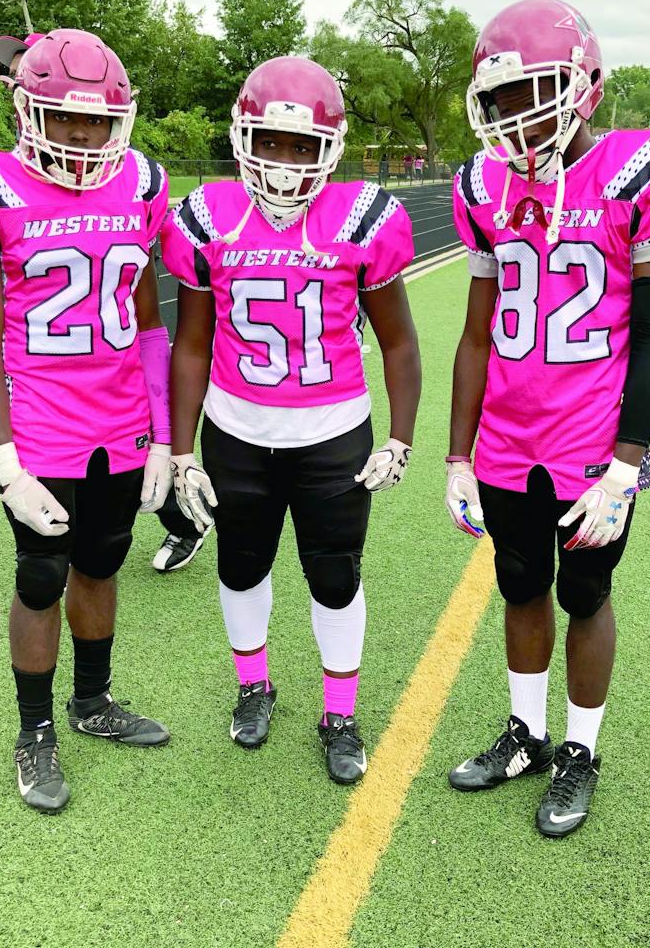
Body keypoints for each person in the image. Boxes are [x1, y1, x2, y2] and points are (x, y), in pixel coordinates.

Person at [444, 0, 650, 837]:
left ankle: (582, 751)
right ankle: (526, 732)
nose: (519, 117)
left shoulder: (640, 171)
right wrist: (457, 455)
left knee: (586, 594)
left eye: (537, 91)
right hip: (508, 440)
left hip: (594, 440)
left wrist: (628, 463)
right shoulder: (482, 185)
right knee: (519, 586)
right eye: (502, 100)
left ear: (585, 82)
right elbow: (478, 333)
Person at [0, 29, 174, 815]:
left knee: (102, 565)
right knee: (41, 575)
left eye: (97, 121)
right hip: (40, 426)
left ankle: (91, 702)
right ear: (28, 111)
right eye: (65, 117)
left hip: (122, 419)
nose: (82, 134)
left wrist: (165, 432)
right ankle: (34, 731)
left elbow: (149, 321)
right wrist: (4, 461)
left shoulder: (138, 185)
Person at [164, 56, 421, 784]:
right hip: (237, 431)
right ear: (243, 137)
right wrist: (181, 449)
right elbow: (190, 343)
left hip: (333, 435)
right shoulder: (209, 216)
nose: (282, 161)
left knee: (334, 576)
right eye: (269, 142)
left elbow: (399, 341)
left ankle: (339, 712)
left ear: (329, 148)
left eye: (301, 145)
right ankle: (255, 686)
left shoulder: (362, 219)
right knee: (241, 567)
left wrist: (400, 436)